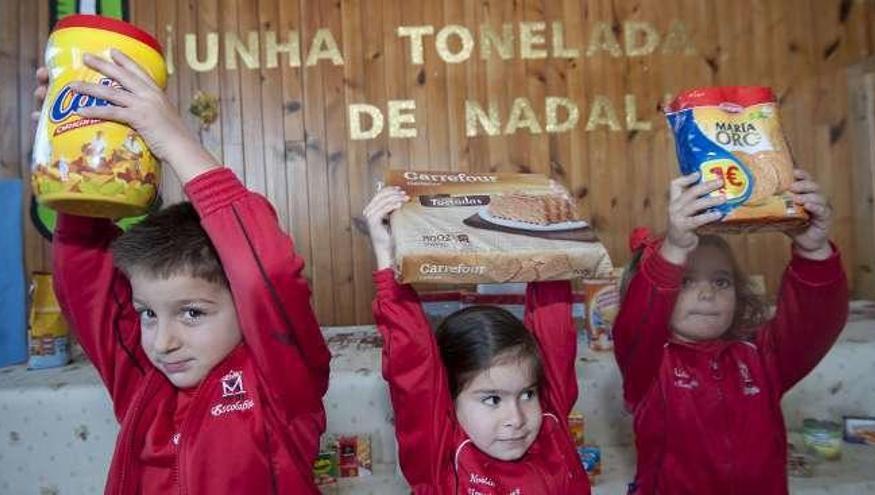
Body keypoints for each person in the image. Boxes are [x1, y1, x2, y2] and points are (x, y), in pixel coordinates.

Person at [39, 49, 330, 493]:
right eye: (148, 314)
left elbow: (263, 272)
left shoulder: (280, 382)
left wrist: (172, 138)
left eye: (192, 312)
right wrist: (77, 134)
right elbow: (83, 275)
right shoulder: (144, 379)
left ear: (249, 311)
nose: (163, 342)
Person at [613, 172, 848, 494]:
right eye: (686, 280)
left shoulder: (761, 356)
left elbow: (815, 321)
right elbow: (637, 322)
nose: (708, 293)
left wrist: (814, 250)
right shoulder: (647, 364)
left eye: (721, 281)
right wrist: (675, 247)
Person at [363, 185, 591, 494]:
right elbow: (414, 365)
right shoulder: (441, 458)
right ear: (448, 401)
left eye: (527, 394)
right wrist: (388, 259)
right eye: (492, 399)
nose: (517, 419)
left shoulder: (551, 421)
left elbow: (554, 333)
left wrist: (550, 234)